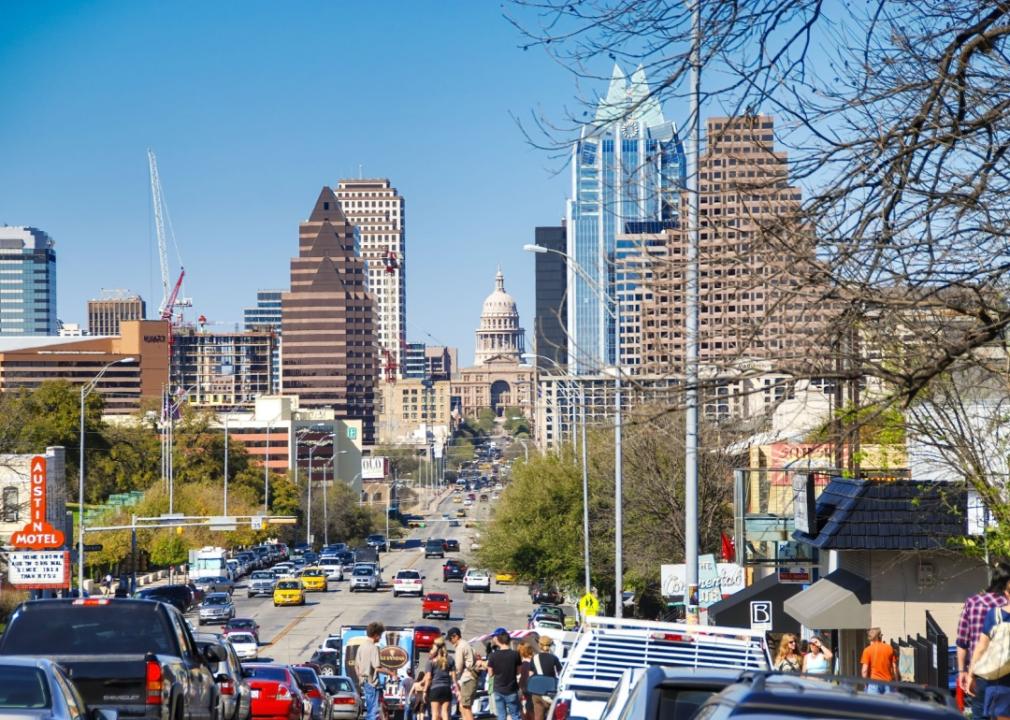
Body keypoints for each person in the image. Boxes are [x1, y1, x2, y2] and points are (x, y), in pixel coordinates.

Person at [958, 566, 1010, 720]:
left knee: (980, 715)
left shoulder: (973, 602)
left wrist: (964, 672)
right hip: (1004, 674)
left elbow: (962, 641)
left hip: (983, 672)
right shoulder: (1004, 603)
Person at [355, 622, 392, 720]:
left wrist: (360, 678)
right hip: (372, 683)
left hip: (364, 682)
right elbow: (377, 667)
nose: (380, 638)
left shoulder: (361, 647)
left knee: (370, 709)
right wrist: (391, 672)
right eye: (380, 636)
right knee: (373, 711)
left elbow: (356, 666)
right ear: (375, 635)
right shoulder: (373, 648)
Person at [487, 630, 522, 720]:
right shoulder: (515, 654)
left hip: (498, 689)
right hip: (511, 689)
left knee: (501, 716)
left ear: (498, 640)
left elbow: (490, 674)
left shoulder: (493, 656)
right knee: (515, 715)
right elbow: (518, 671)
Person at [447, 627, 478, 720]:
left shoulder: (460, 646)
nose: (450, 641)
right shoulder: (467, 644)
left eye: (450, 639)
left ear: (455, 636)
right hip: (471, 678)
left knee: (465, 707)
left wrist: (449, 674)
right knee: (462, 706)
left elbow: (458, 667)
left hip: (467, 679)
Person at [529, 636, 562, 720]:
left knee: (538, 717)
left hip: (537, 691)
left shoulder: (534, 658)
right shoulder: (554, 658)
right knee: (552, 716)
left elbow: (530, 674)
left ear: (539, 645)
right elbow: (560, 674)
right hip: (550, 692)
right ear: (550, 645)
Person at [422, 637, 453, 720]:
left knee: (435, 714)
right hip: (446, 688)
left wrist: (424, 691)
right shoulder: (450, 659)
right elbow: (454, 676)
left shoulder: (431, 661)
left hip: (435, 688)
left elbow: (428, 678)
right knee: (445, 712)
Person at [860, 627, 898, 693]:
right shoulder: (889, 648)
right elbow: (894, 668)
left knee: (874, 703)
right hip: (888, 683)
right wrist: (896, 683)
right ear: (880, 636)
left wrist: (865, 684)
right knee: (888, 703)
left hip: (873, 683)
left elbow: (864, 671)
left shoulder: (867, 650)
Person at [517, 643, 535, 720]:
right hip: (532, 690)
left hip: (523, 689)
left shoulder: (522, 664)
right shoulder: (533, 662)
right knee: (530, 709)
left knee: (526, 709)